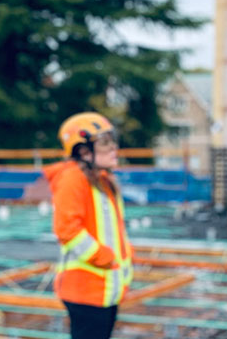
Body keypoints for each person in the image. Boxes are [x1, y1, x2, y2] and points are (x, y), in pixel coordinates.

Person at [43, 112, 133, 339]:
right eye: (105, 143)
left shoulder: (102, 180)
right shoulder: (73, 179)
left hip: (104, 290)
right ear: (83, 151)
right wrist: (103, 257)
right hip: (85, 291)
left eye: (113, 141)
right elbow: (67, 229)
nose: (114, 148)